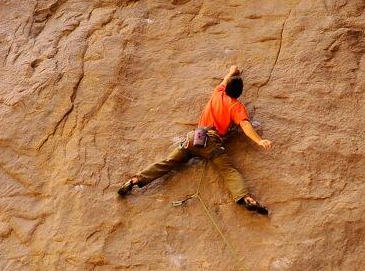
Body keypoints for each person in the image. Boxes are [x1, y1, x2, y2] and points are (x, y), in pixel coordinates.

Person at [117, 65, 272, 214]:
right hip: (210, 142)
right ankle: (245, 198)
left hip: (192, 138)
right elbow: (245, 125)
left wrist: (233, 71)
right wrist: (259, 140)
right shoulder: (236, 106)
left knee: (168, 162)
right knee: (229, 171)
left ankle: (136, 179)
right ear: (239, 93)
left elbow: (226, 78)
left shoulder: (219, 92)